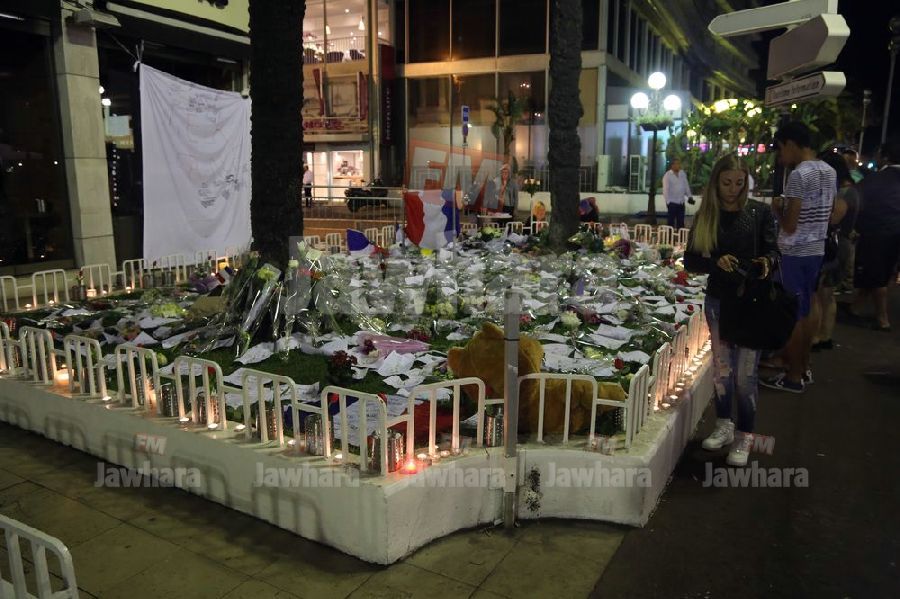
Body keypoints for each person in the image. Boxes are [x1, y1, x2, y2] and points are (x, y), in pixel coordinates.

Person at [684, 154, 779, 467]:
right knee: (723, 370)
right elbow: (690, 261)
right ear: (716, 182)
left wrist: (765, 263)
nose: (733, 189)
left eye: (739, 183)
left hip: (752, 303)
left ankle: (744, 436)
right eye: (727, 183)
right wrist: (716, 262)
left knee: (745, 375)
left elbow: (774, 252)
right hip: (719, 301)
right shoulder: (707, 215)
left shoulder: (759, 212)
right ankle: (724, 424)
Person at [761, 122, 836, 393]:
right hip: (816, 249)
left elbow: (790, 225)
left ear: (790, 144)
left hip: (793, 252)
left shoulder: (799, 175)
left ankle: (793, 377)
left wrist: (777, 210)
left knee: (792, 314)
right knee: (808, 307)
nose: (781, 156)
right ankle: (803, 368)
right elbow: (829, 213)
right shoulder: (829, 171)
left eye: (781, 149)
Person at [848, 139, 900, 331]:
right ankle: (855, 307)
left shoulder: (877, 179)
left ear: (885, 157)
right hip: (895, 235)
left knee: (877, 277)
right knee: (880, 274)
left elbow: (855, 199)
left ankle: (882, 319)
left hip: (877, 234)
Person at [811, 152, 854, 350]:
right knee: (828, 295)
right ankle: (825, 336)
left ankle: (816, 337)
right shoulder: (851, 190)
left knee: (820, 295)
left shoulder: (840, 194)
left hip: (832, 247)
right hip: (842, 244)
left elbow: (831, 220)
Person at [662, 158, 691, 229]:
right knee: (670, 223)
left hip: (681, 202)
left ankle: (680, 235)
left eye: (679, 164)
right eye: (677, 164)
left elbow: (686, 186)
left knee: (681, 223)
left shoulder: (682, 173)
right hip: (672, 203)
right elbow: (665, 190)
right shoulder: (667, 175)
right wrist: (668, 202)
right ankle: (669, 235)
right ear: (672, 165)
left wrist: (689, 196)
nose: (678, 165)